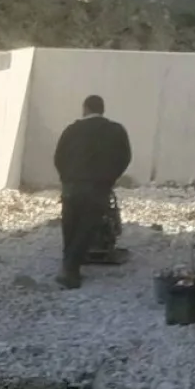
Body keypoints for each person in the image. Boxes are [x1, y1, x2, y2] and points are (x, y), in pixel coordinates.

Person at [52, 94, 133, 288]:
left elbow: (58, 157)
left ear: (85, 108)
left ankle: (69, 266)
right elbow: (125, 157)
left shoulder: (71, 131)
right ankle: (71, 269)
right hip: (97, 188)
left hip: (72, 186)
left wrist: (66, 178)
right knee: (86, 227)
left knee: (70, 226)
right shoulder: (115, 130)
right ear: (102, 110)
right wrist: (110, 178)